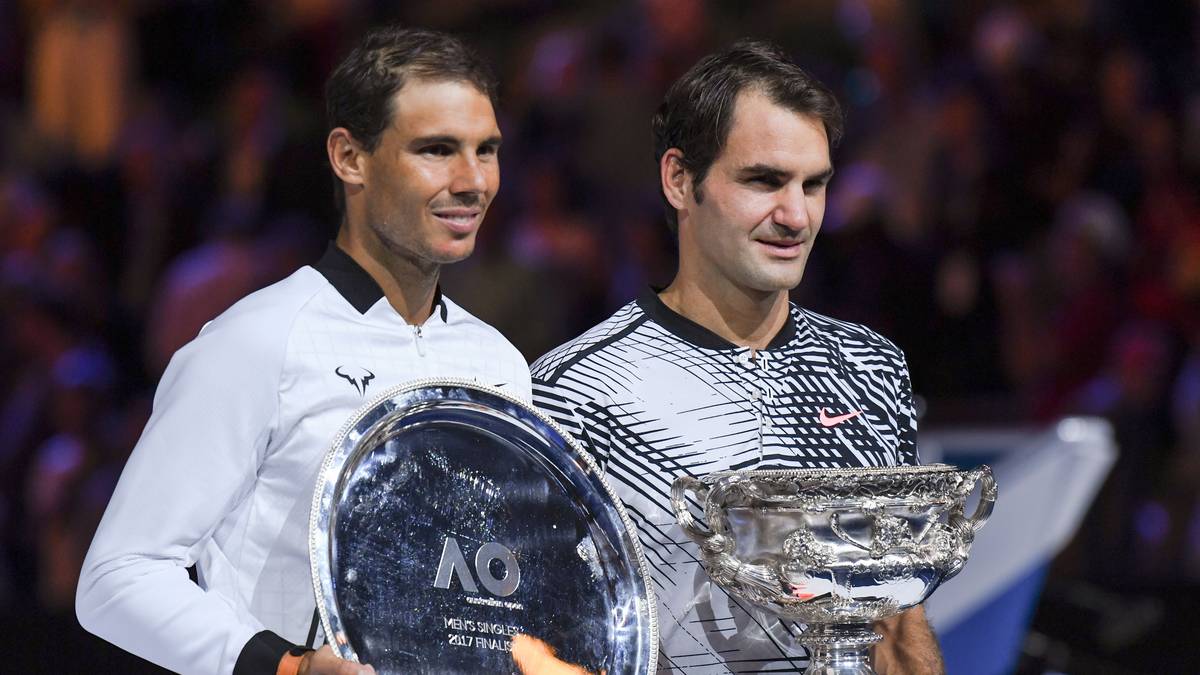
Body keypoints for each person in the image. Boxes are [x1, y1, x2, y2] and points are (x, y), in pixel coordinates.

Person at [77, 26, 532, 675]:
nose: (473, 181)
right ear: (350, 158)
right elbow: (119, 575)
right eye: (437, 149)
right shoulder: (257, 341)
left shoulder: (500, 364)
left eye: (486, 150)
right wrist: (289, 667)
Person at [531, 40, 943, 673]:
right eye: (764, 181)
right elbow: (539, 642)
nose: (796, 215)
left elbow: (897, 622)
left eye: (814, 185)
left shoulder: (871, 366)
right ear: (679, 180)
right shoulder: (574, 393)